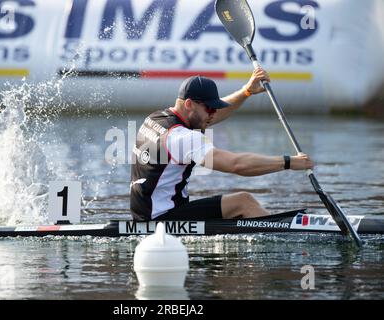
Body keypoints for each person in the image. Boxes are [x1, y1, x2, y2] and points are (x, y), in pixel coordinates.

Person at [130, 69, 314, 221]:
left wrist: (246, 91)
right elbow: (237, 165)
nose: (213, 114)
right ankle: (284, 238)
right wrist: (289, 162)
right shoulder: (183, 137)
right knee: (244, 202)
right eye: (209, 108)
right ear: (189, 104)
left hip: (144, 213)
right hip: (162, 219)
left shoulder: (156, 118)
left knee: (239, 203)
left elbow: (209, 118)